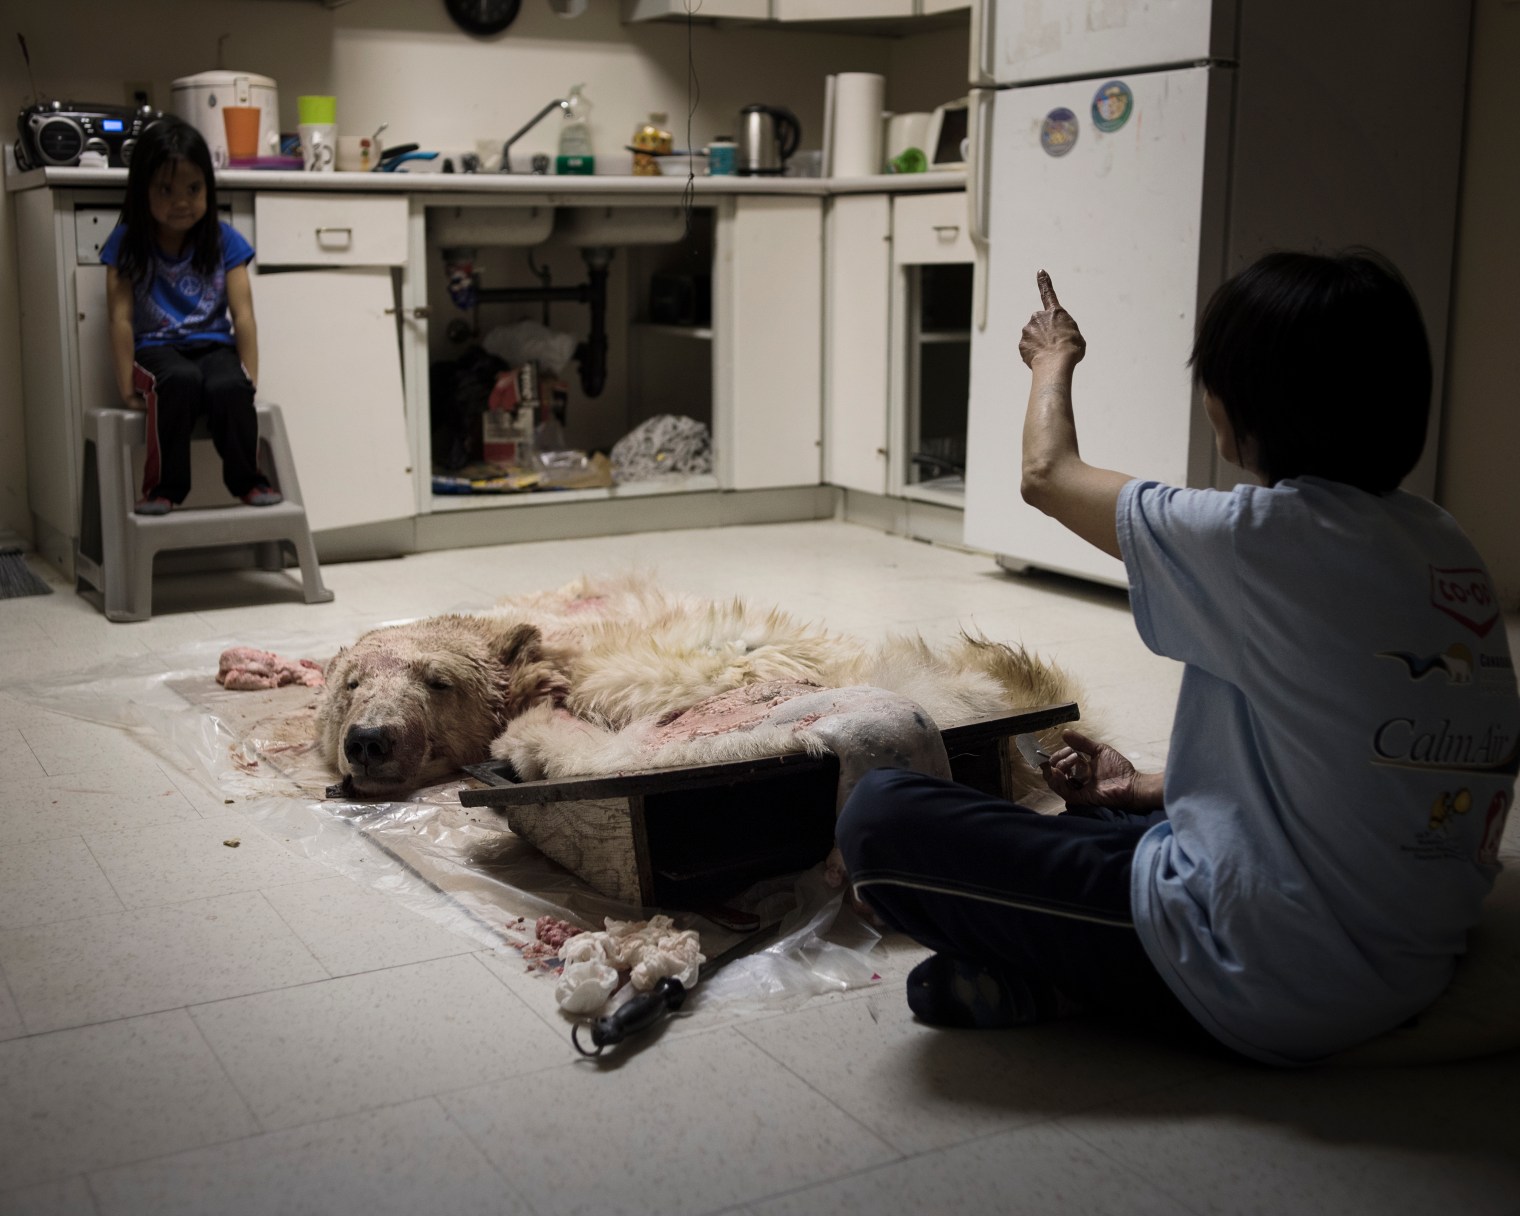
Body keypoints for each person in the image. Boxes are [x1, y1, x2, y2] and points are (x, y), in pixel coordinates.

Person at [836, 251, 1519, 1065]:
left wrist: (1052, 357)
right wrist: (1149, 790)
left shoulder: (1261, 540)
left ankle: (1093, 981)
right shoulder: (1445, 543)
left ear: (1244, 406)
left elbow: (1047, 475)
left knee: (882, 822)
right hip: (1408, 954)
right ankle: (1067, 968)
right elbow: (1364, 761)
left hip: (1272, 972)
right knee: (1093, 830)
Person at [103, 116, 281, 515]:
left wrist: (249, 374)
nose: (181, 201)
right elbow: (119, 319)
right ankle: (163, 489)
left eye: (193, 188)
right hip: (155, 351)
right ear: (142, 191)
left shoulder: (224, 240)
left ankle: (249, 481)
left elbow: (244, 314)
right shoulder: (127, 244)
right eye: (166, 189)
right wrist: (125, 387)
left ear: (208, 189)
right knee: (179, 380)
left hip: (214, 346)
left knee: (230, 388)